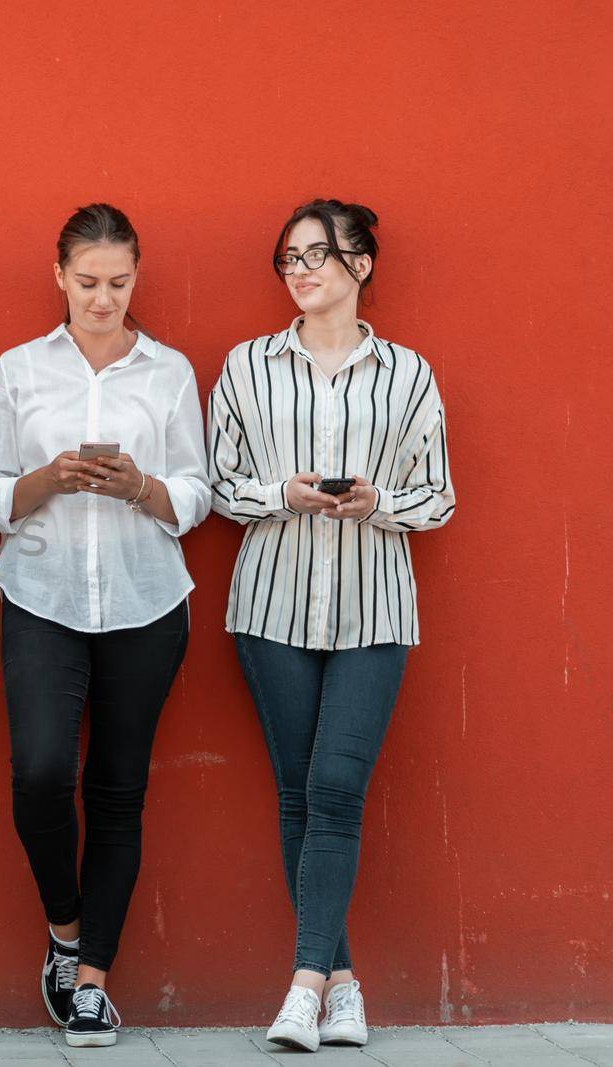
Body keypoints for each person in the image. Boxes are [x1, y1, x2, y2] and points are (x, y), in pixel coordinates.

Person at [207, 199, 455, 1052]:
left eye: (318, 254)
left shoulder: (410, 374)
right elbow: (218, 483)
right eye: (288, 258)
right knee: (299, 791)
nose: (300, 270)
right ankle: (343, 984)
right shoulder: (246, 366)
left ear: (362, 265)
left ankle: (303, 985)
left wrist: (378, 501)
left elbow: (440, 496)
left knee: (337, 787)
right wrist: (285, 494)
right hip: (272, 604)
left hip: (375, 607)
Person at [0, 203, 210, 1047]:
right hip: (42, 594)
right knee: (39, 774)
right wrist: (49, 480)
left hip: (147, 601)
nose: (102, 298)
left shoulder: (170, 372)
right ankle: (64, 931)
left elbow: (195, 495)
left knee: (117, 788)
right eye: (87, 282)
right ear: (59, 277)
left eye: (118, 282)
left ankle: (93, 981)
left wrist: (139, 485)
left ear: (136, 277)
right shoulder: (20, 369)